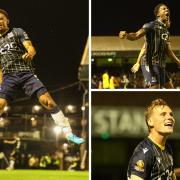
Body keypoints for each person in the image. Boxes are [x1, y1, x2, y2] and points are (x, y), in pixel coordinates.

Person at [0, 9, 84, 145]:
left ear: (7, 20)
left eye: (1, 19)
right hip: (8, 77)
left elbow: (31, 47)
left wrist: (30, 53)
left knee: (48, 102)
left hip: (26, 74)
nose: (0, 22)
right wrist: (1, 82)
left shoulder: (17, 32)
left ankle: (69, 134)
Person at [119, 4, 180, 88]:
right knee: (155, 87)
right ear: (158, 14)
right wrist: (126, 35)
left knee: (171, 89)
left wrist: (178, 62)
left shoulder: (166, 32)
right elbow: (136, 35)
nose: (167, 10)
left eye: (167, 9)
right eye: (164, 9)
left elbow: (168, 51)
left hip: (160, 65)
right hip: (149, 63)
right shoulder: (151, 26)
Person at [127, 99, 176, 179]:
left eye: (171, 114)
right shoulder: (144, 153)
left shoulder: (167, 148)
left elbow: (171, 175)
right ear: (150, 122)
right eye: (163, 114)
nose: (170, 117)